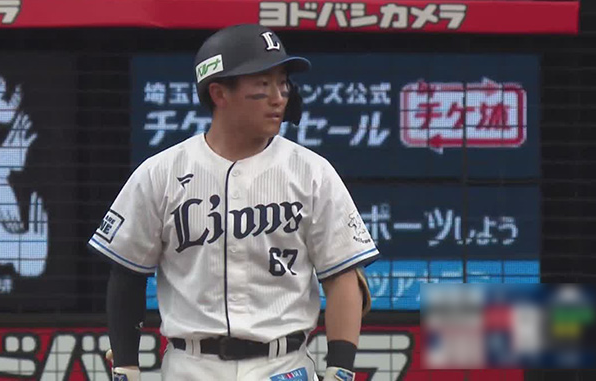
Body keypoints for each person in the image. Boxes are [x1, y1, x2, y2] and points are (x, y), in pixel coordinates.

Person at [89, 24, 379, 381]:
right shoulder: (160, 173)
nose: (278, 97)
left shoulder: (312, 172)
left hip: (283, 366)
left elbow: (342, 277)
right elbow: (127, 274)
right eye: (263, 84)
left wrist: (341, 367)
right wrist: (126, 364)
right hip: (191, 367)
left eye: (283, 83)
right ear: (219, 93)